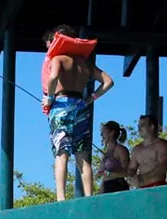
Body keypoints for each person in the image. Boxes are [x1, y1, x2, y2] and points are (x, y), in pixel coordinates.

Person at [42, 25, 114, 201]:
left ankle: (61, 198)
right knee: (83, 156)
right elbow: (108, 82)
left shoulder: (57, 58)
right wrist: (91, 98)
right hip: (81, 105)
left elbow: (53, 78)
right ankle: (89, 197)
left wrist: (50, 98)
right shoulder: (84, 62)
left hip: (61, 105)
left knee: (62, 153)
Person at [129, 114, 167, 188]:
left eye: (142, 125)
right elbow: (131, 168)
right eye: (138, 126)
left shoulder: (162, 145)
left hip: (158, 186)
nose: (139, 128)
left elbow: (162, 167)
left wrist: (142, 177)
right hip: (142, 189)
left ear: (152, 127)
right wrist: (132, 175)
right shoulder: (136, 149)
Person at [99, 121, 131, 193]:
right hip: (106, 188)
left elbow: (127, 172)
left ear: (112, 133)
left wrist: (108, 173)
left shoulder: (121, 150)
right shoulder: (106, 153)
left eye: (103, 132)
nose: (101, 135)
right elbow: (104, 178)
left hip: (118, 187)